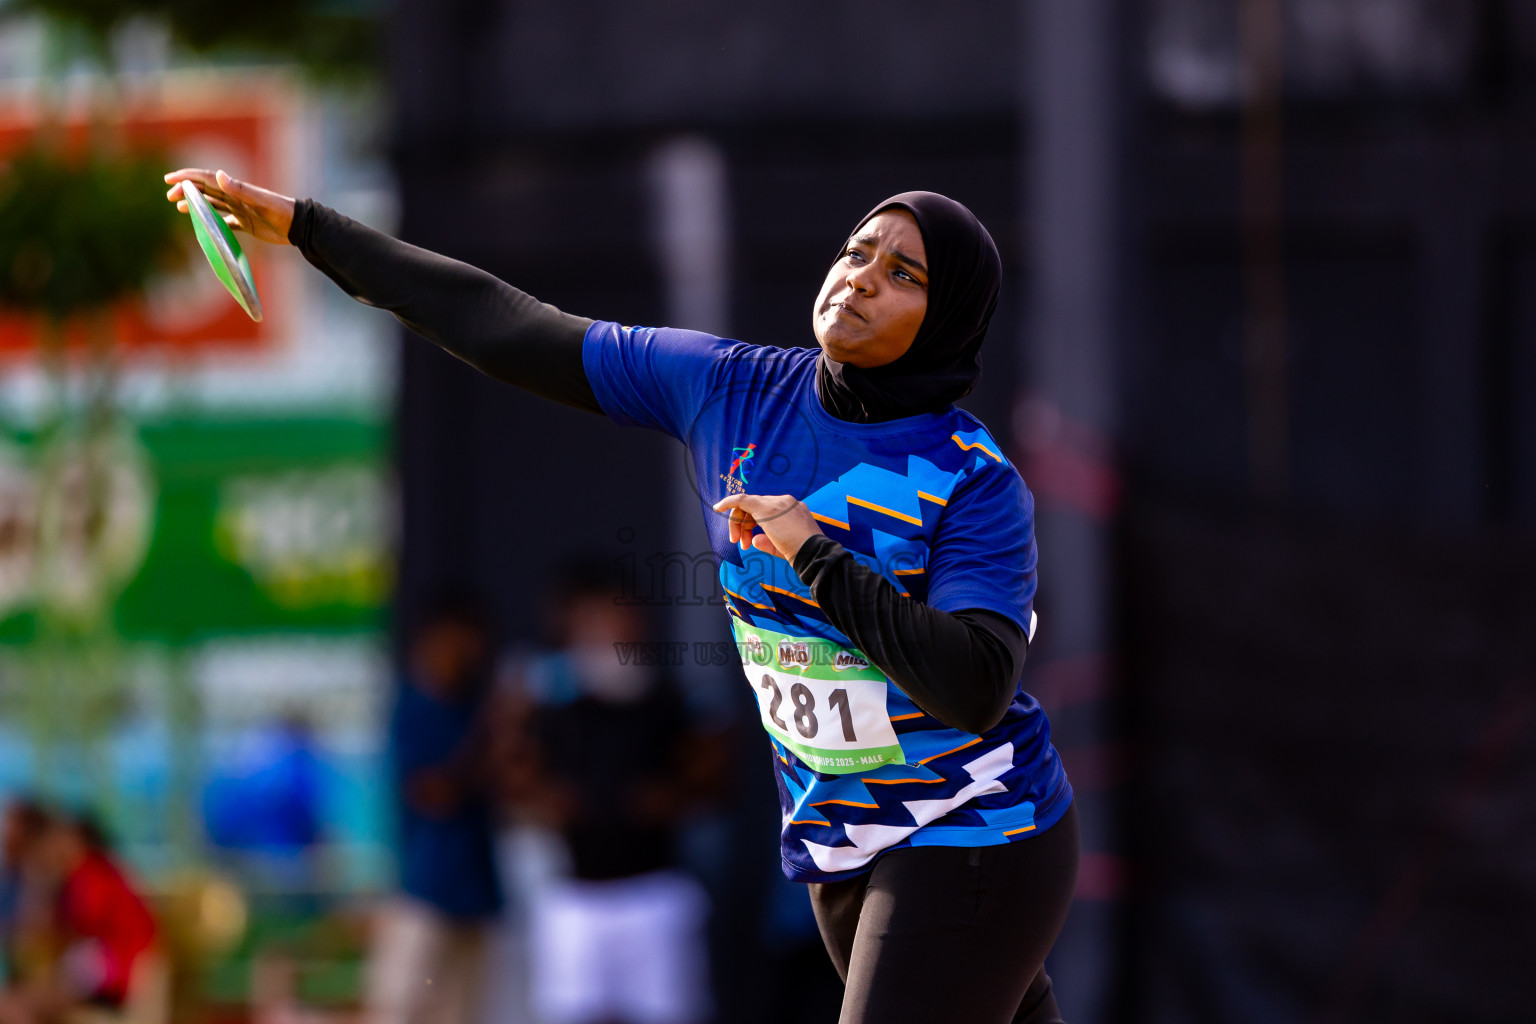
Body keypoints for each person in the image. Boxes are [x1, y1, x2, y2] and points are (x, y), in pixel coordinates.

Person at [164, 168, 1079, 1024]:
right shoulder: (733, 388)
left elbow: (975, 683)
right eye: (857, 251)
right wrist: (305, 228)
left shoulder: (971, 479)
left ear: (948, 316)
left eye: (904, 272)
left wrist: (812, 549)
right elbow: (504, 324)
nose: (862, 277)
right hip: (844, 846)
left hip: (976, 832)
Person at [498, 562, 714, 1024]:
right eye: (594, 620)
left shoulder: (670, 698)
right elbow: (510, 781)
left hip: (656, 894)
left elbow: (711, 782)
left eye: (619, 617)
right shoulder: (547, 700)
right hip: (575, 897)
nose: (610, 631)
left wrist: (672, 796)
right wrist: (543, 798)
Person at [369, 593, 503, 1024]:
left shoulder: (473, 706)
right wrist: (489, 740)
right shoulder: (413, 710)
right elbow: (434, 793)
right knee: (401, 1010)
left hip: (475, 893)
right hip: (423, 894)